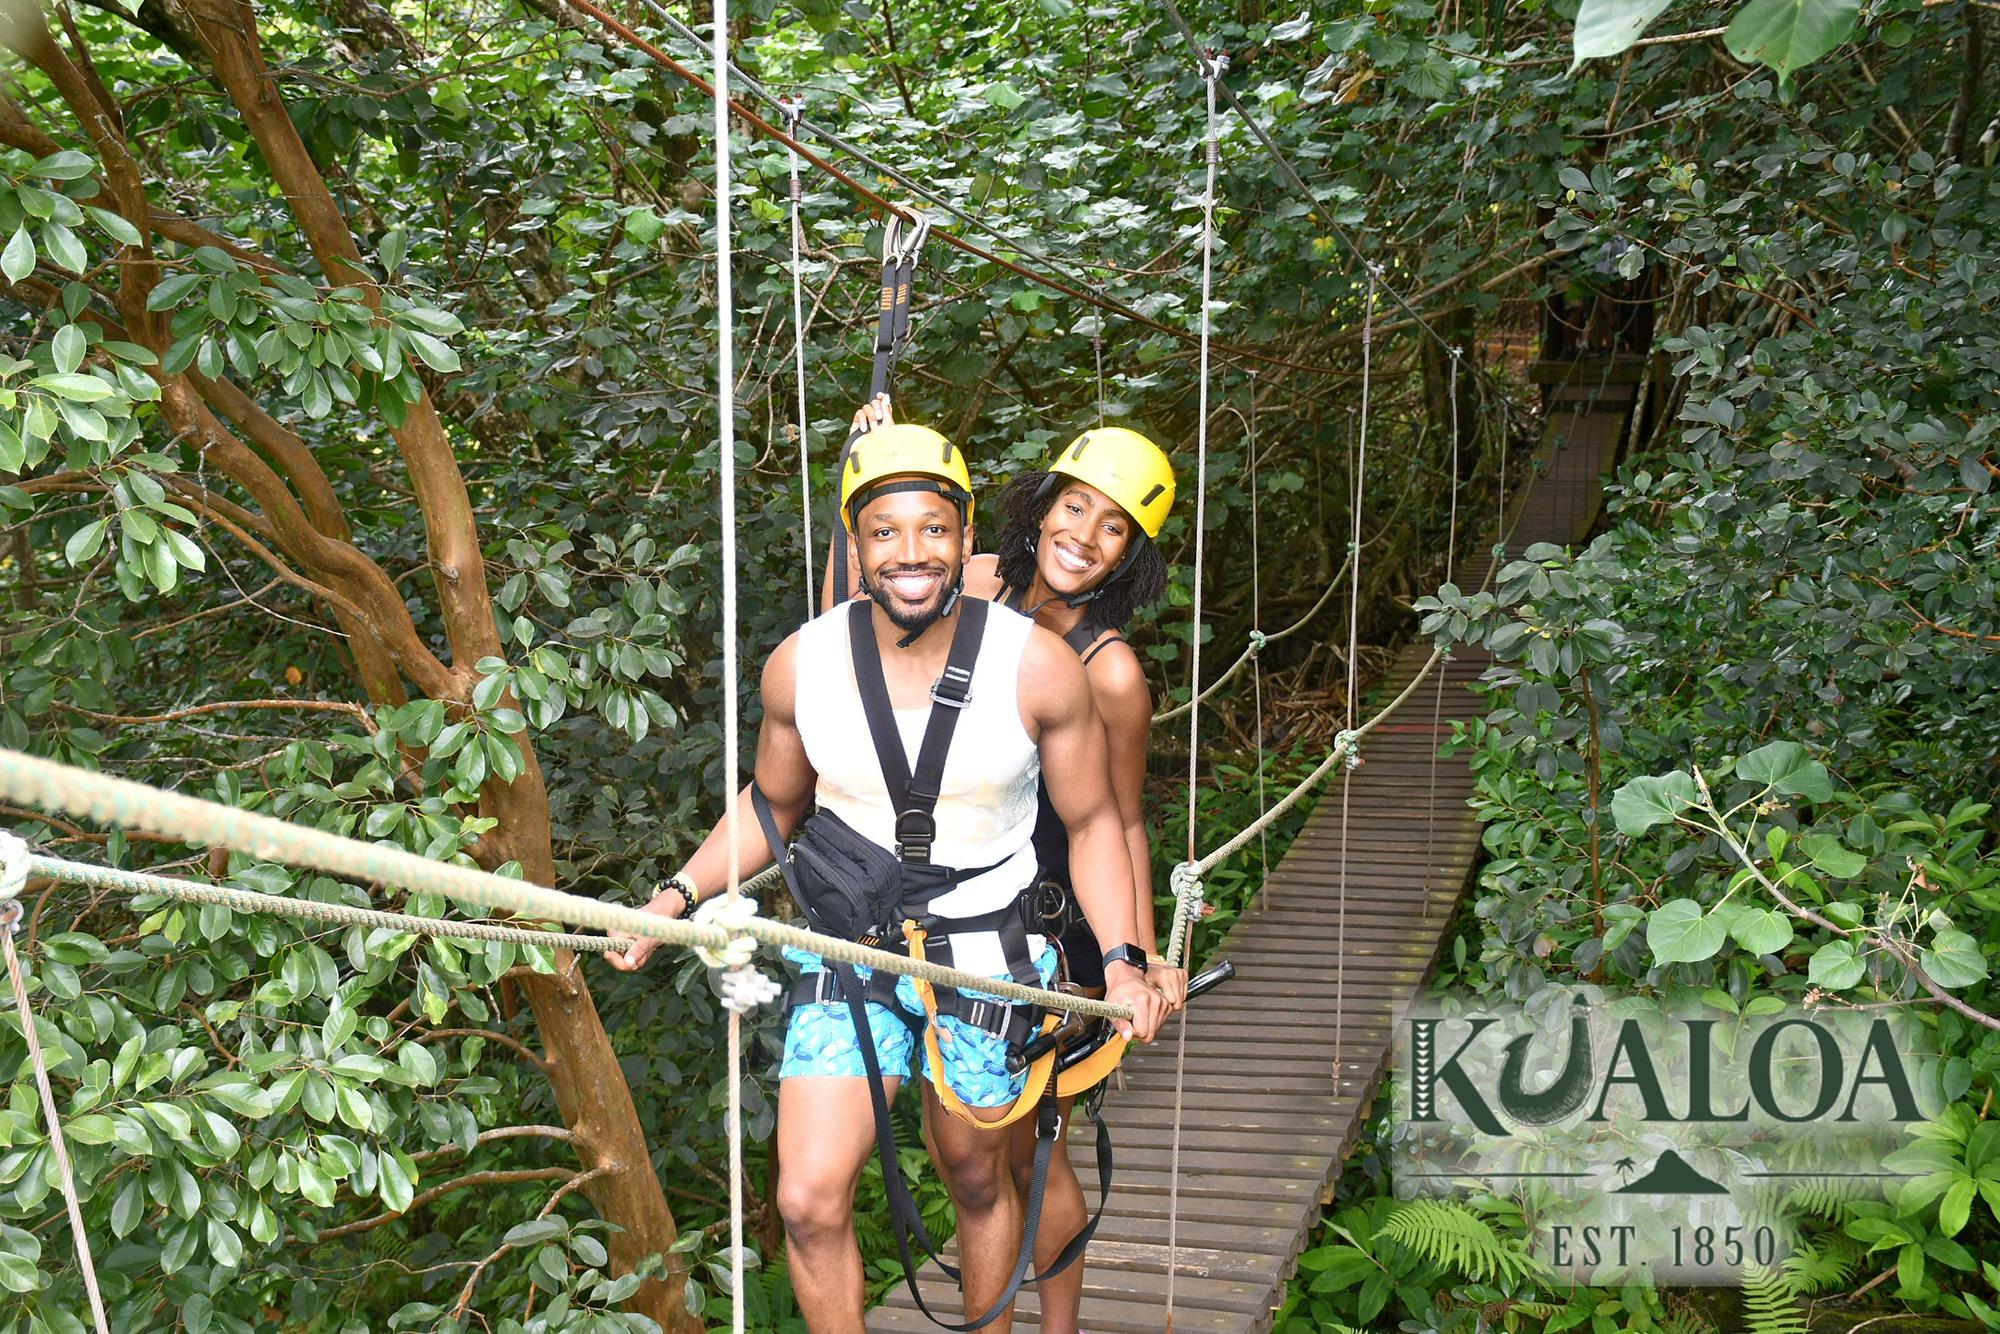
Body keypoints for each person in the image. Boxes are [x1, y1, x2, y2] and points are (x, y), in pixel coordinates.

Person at [610, 421, 1169, 1334]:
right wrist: (675, 894)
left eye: (935, 530)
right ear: (857, 547)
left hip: (986, 957)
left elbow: (1098, 820)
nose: (913, 553)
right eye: (885, 532)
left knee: (981, 1177)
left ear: (968, 538)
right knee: (807, 1199)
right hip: (849, 948)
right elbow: (772, 804)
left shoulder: (1046, 670)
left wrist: (1123, 960)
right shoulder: (804, 664)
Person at [849, 396, 1185, 1334]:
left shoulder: (1109, 669)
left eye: (1114, 526)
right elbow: (874, 577)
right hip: (953, 899)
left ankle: (1060, 1325)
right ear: (1040, 509)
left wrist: (1140, 957)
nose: (1087, 535)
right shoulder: (982, 579)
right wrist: (877, 453)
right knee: (985, 1150)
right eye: (1076, 506)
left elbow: (1118, 824)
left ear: (1130, 554)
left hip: (1054, 917)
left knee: (1034, 1146)